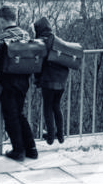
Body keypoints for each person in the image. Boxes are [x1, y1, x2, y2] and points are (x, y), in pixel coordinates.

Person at [0, 5, 38, 161]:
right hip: (24, 80)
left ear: (2, 19)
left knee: (10, 116)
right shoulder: (25, 34)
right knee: (19, 114)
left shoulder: (1, 38)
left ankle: (18, 151)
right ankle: (31, 149)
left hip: (7, 81)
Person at [33, 17, 68, 145]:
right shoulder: (57, 40)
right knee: (57, 106)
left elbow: (38, 63)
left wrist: (37, 79)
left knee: (47, 107)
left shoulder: (42, 42)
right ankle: (61, 135)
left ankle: (50, 136)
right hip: (61, 80)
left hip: (48, 80)